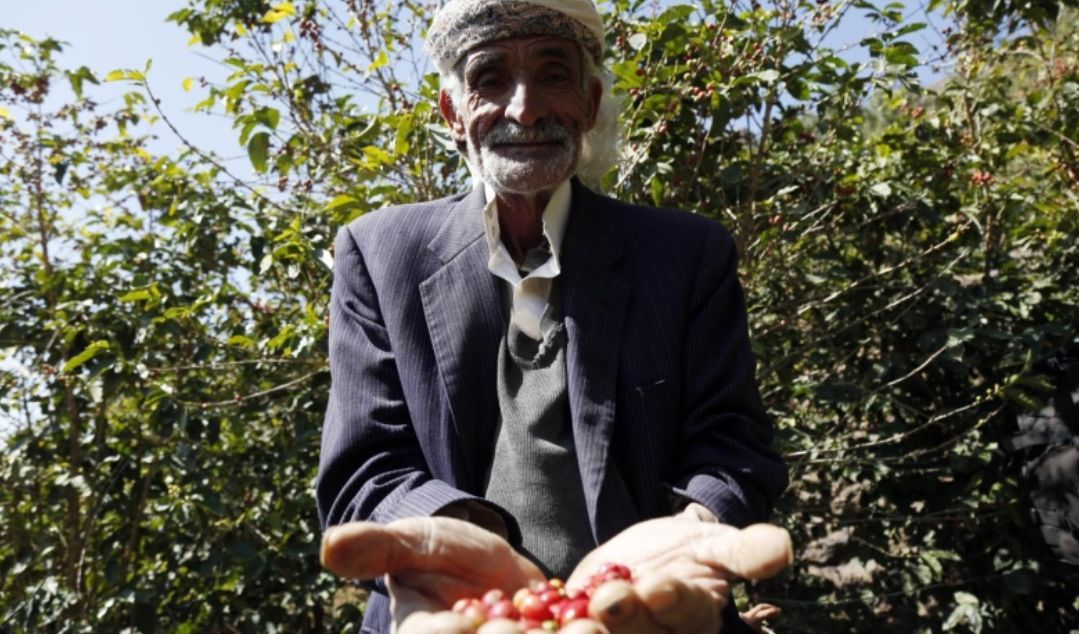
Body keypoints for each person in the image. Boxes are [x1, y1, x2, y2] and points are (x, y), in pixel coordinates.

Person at [316, 1, 790, 632]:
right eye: (490, 79)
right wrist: (452, 541)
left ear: (589, 104)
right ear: (453, 114)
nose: (525, 109)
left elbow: (731, 445)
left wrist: (696, 527)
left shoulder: (685, 255)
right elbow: (364, 470)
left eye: (553, 75)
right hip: (453, 612)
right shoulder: (379, 254)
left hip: (652, 612)